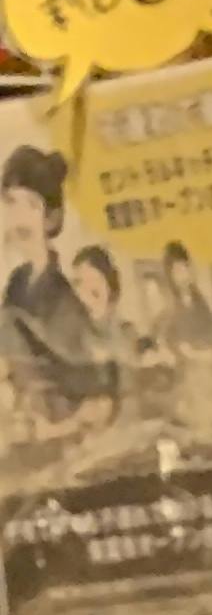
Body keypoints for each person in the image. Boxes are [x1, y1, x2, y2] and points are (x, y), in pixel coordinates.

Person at [0, 148, 103, 424]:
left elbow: (79, 382)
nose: (19, 218)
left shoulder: (64, 299)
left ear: (51, 219)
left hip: (57, 422)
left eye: (31, 205)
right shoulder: (16, 284)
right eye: (11, 202)